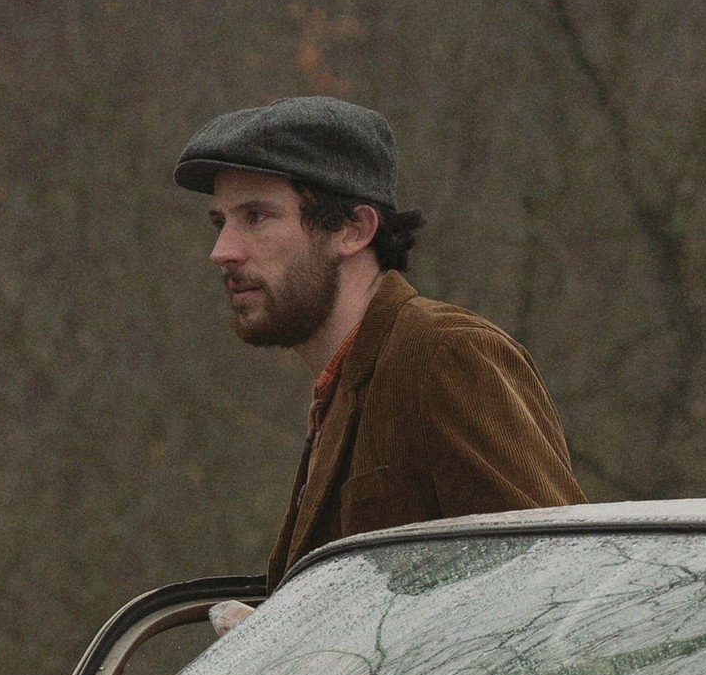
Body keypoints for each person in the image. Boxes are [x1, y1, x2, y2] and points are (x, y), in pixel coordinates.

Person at [176, 96, 580, 588]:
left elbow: (557, 582)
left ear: (353, 230)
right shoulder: (343, 387)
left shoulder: (442, 354)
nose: (222, 251)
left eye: (256, 217)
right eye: (220, 223)